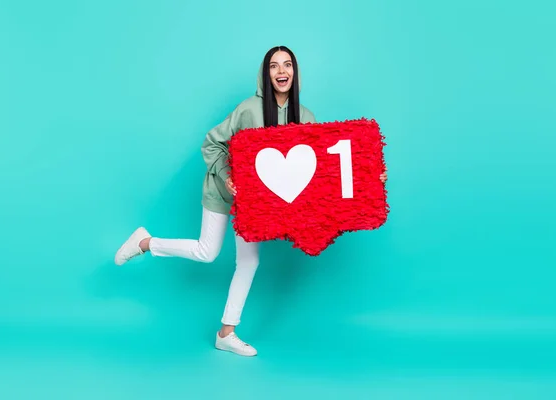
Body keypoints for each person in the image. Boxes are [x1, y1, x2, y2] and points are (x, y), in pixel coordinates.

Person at [114, 46, 388, 357]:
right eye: (274, 66)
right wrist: (226, 173)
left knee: (249, 261)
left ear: (295, 73)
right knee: (207, 252)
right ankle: (145, 243)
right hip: (222, 191)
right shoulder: (248, 109)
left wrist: (369, 177)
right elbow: (212, 143)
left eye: (287, 65)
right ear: (266, 73)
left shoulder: (307, 118)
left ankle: (226, 333)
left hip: (255, 207)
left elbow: (324, 170)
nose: (281, 71)